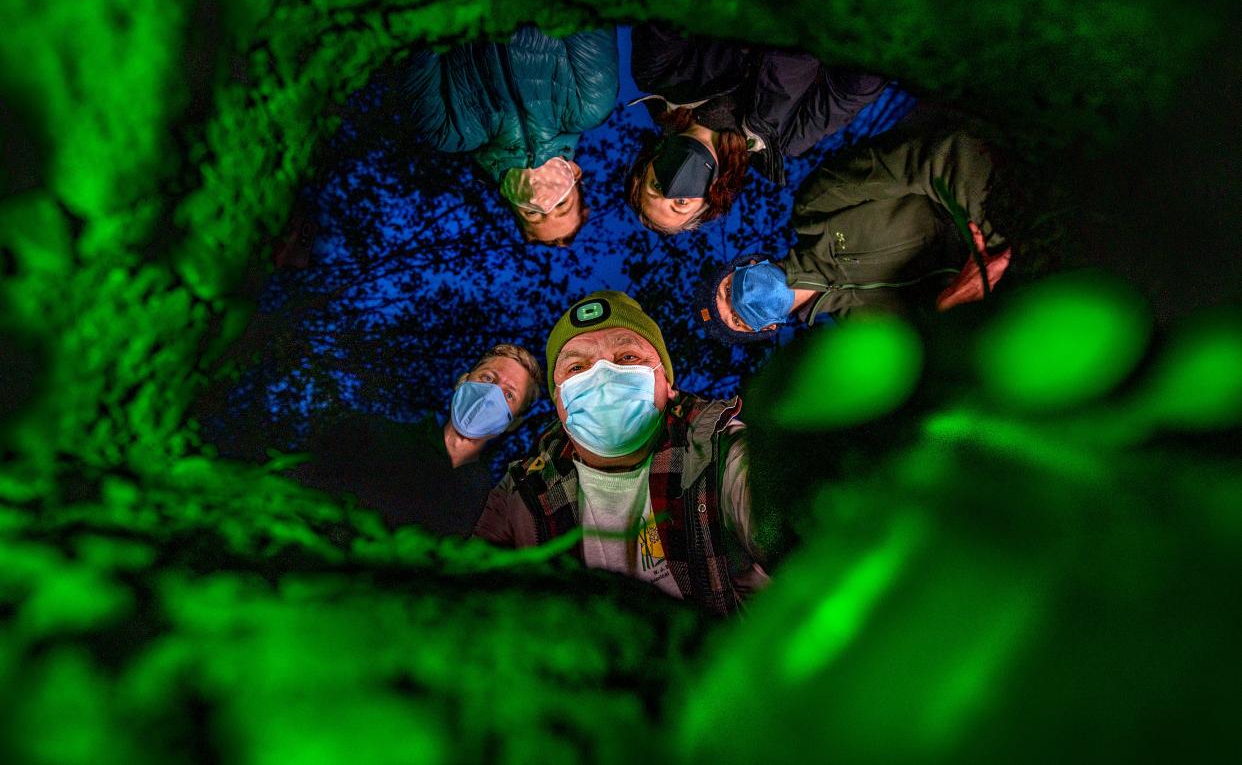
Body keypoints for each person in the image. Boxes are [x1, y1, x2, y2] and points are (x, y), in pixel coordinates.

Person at [473, 291, 769, 616]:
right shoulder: (523, 490)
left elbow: (784, 521)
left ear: (667, 383)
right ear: (558, 401)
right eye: (576, 367)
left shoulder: (719, 449)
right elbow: (465, 594)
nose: (601, 375)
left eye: (627, 357)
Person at [698, 120, 1013, 343]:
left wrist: (1001, 248)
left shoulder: (818, 208)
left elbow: (937, 157)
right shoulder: (862, 335)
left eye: (727, 292)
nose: (740, 303)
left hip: (1011, 209)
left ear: (748, 264)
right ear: (766, 329)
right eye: (738, 321)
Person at [625, 22, 890, 234]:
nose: (673, 186)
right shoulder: (787, 137)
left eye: (657, 185)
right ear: (711, 201)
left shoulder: (659, 75)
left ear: (650, 161)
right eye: (680, 203)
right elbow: (849, 92)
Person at [401, 26, 619, 246]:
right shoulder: (590, 105)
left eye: (532, 214)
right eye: (562, 205)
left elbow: (414, 40)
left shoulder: (448, 131)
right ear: (574, 171)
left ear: (506, 194)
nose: (545, 204)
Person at [292, 344, 543, 534]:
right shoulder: (368, 435)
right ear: (462, 382)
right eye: (488, 378)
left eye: (508, 395)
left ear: (514, 422)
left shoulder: (488, 504)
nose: (490, 396)